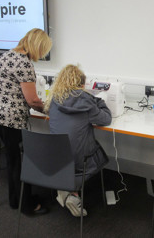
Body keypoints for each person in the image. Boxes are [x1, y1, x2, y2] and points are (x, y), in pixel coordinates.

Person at [0, 28, 52, 215]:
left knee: (13, 158)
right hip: (10, 120)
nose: (42, 54)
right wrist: (49, 109)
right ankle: (26, 205)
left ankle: (15, 200)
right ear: (38, 46)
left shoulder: (6, 55)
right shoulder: (24, 64)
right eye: (43, 50)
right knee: (18, 162)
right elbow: (32, 100)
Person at [44, 64, 112, 217]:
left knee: (71, 148)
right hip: (80, 162)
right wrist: (99, 101)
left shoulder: (54, 100)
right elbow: (106, 119)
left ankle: (67, 190)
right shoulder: (86, 102)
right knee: (96, 153)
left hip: (57, 160)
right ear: (82, 85)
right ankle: (69, 191)